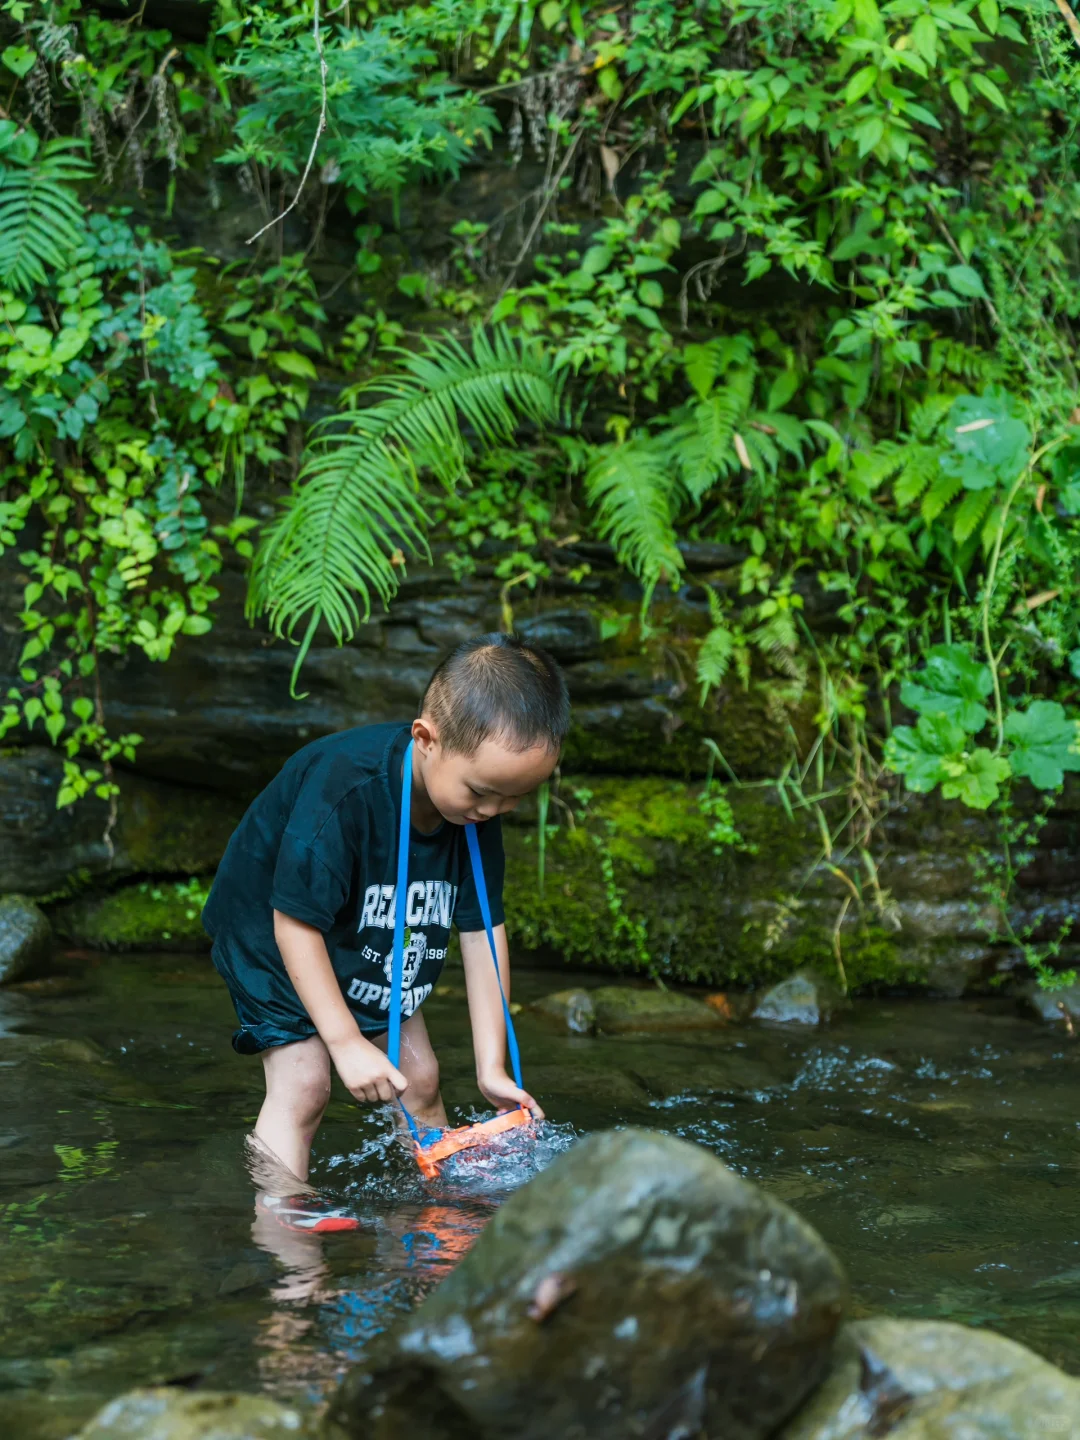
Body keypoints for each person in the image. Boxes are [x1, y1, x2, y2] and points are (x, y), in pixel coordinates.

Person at [203, 632, 567, 1228]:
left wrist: (491, 1068)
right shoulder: (345, 786)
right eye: (480, 792)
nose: (492, 813)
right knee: (306, 1082)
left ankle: (434, 1223)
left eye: (513, 800)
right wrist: (345, 1043)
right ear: (427, 739)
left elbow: (482, 934)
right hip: (272, 931)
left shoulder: (477, 809)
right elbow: (294, 922)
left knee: (419, 1077)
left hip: (370, 923)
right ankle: (284, 1236)